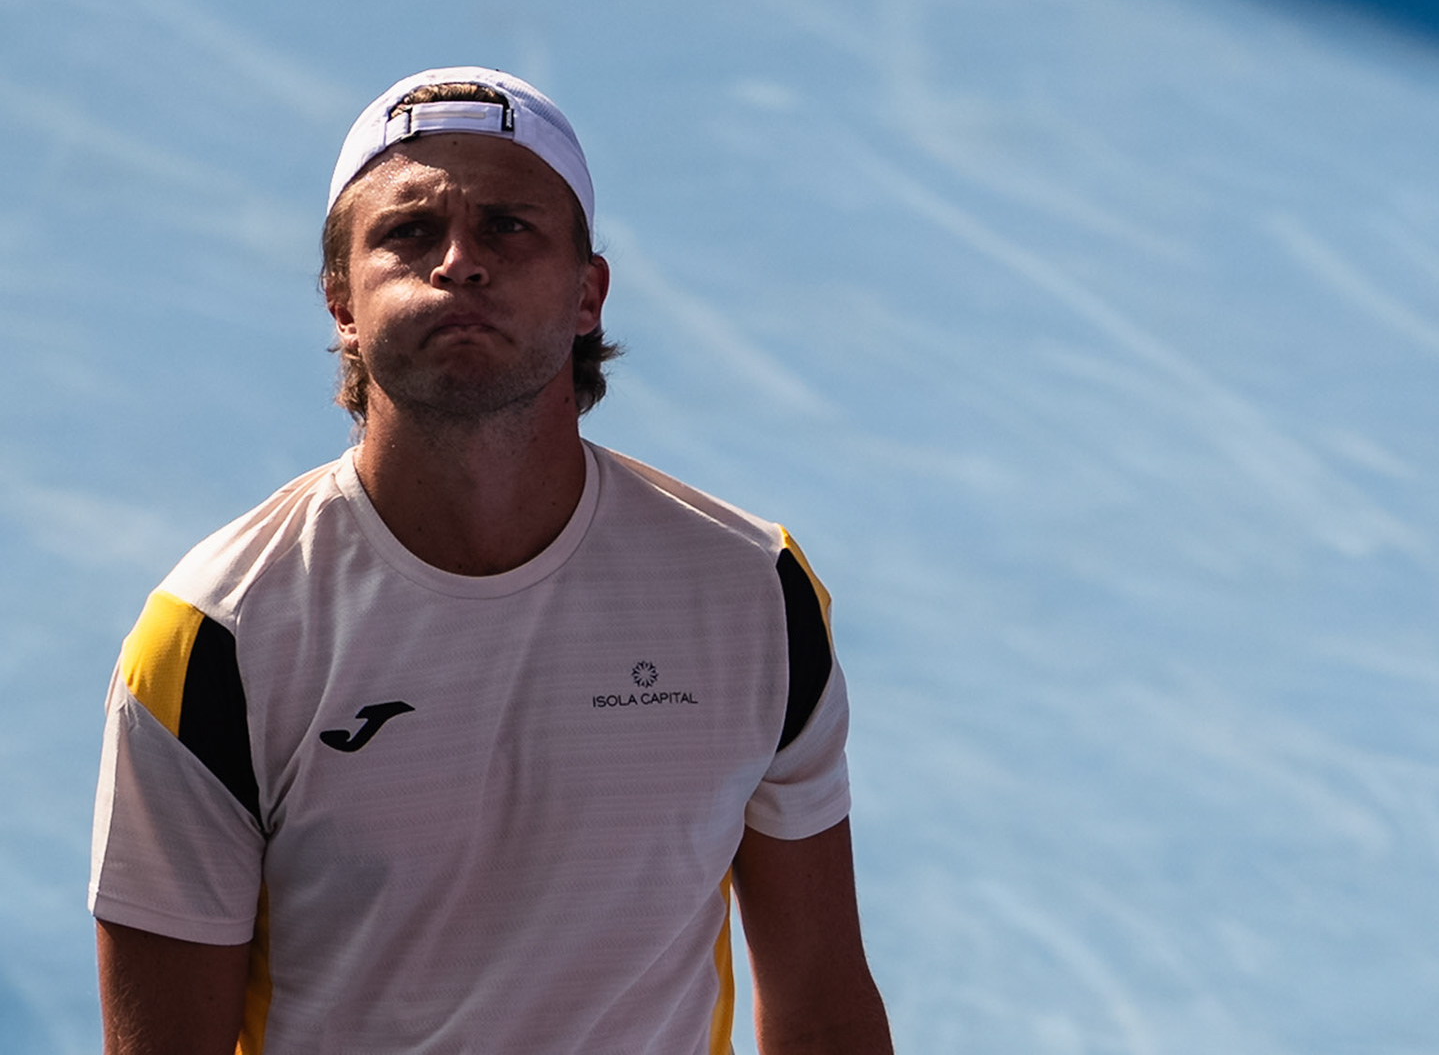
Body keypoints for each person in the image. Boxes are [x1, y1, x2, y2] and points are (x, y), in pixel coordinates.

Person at [89, 67, 892, 1055]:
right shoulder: (217, 635)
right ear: (342, 299)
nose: (461, 261)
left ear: (587, 292)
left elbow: (821, 1001)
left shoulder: (749, 590)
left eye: (510, 226)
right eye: (410, 233)